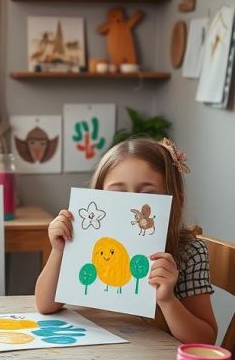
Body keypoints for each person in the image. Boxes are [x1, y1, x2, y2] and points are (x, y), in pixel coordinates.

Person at [35, 136, 217, 344]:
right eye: (118, 193)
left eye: (147, 193)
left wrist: (167, 300)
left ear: (176, 199)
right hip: (94, 350)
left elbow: (205, 341)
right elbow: (45, 305)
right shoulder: (85, 237)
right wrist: (59, 250)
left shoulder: (189, 251)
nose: (133, 205)